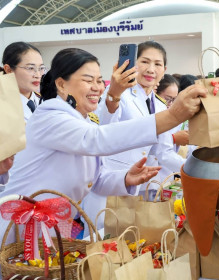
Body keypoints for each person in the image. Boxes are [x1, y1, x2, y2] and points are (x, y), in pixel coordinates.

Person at [0, 48, 206, 244]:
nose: (98, 87)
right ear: (61, 85)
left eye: (99, 80)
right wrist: (172, 116)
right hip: (20, 224)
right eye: (88, 80)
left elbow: (96, 179)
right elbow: (97, 139)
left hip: (56, 222)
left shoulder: (83, 120)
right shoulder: (50, 114)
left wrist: (125, 178)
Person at [1, 42, 46, 122]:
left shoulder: (43, 100)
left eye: (41, 68)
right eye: (30, 68)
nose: (38, 75)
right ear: (9, 70)